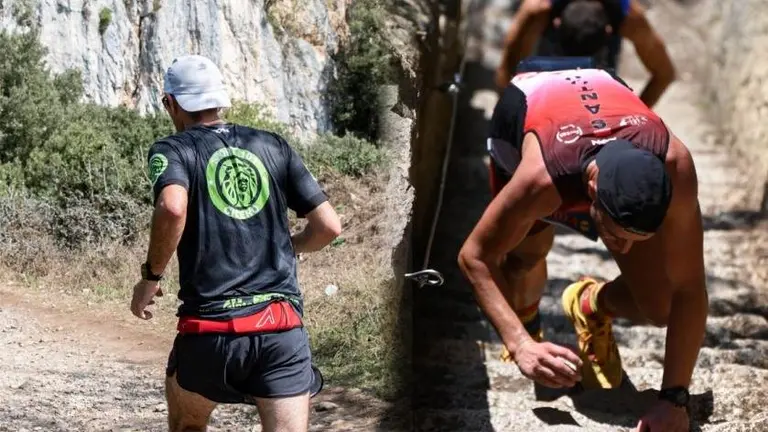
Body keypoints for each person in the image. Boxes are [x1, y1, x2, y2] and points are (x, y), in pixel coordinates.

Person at [457, 61, 707, 432]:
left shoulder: (676, 166)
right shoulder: (541, 181)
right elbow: (475, 256)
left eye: (635, 240)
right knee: (526, 256)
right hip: (528, 106)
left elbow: (690, 289)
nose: (621, 250)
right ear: (591, 193)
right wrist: (521, 343)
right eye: (616, 235)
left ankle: (589, 304)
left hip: (597, 88)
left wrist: (674, 398)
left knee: (664, 304)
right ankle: (530, 327)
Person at [129, 54, 342, 432]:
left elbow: (173, 207)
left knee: (186, 425)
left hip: (210, 332)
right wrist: (291, 243)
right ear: (220, 100)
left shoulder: (174, 149)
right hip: (281, 331)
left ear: (171, 103)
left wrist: (151, 276)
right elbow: (328, 227)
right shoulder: (273, 144)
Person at [496, 0, 676, 108]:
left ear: (608, 30)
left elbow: (664, 74)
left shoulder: (629, 18)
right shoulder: (539, 11)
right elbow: (508, 71)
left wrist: (633, 118)